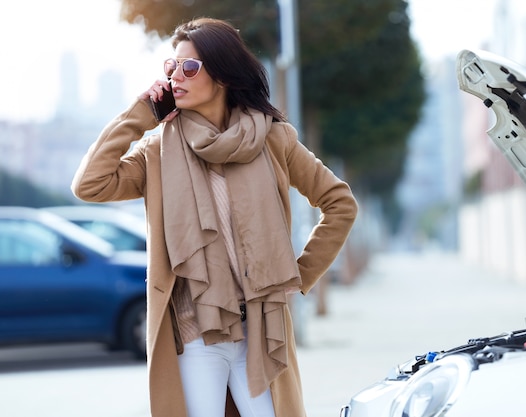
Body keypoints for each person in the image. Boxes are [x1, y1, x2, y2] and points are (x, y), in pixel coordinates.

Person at [71, 17, 358, 417]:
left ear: (222, 75)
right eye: (171, 68)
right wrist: (139, 115)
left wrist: (299, 276)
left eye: (189, 67)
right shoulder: (157, 153)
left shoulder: (273, 139)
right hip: (193, 336)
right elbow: (90, 185)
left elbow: (340, 203)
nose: (176, 77)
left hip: (261, 332)